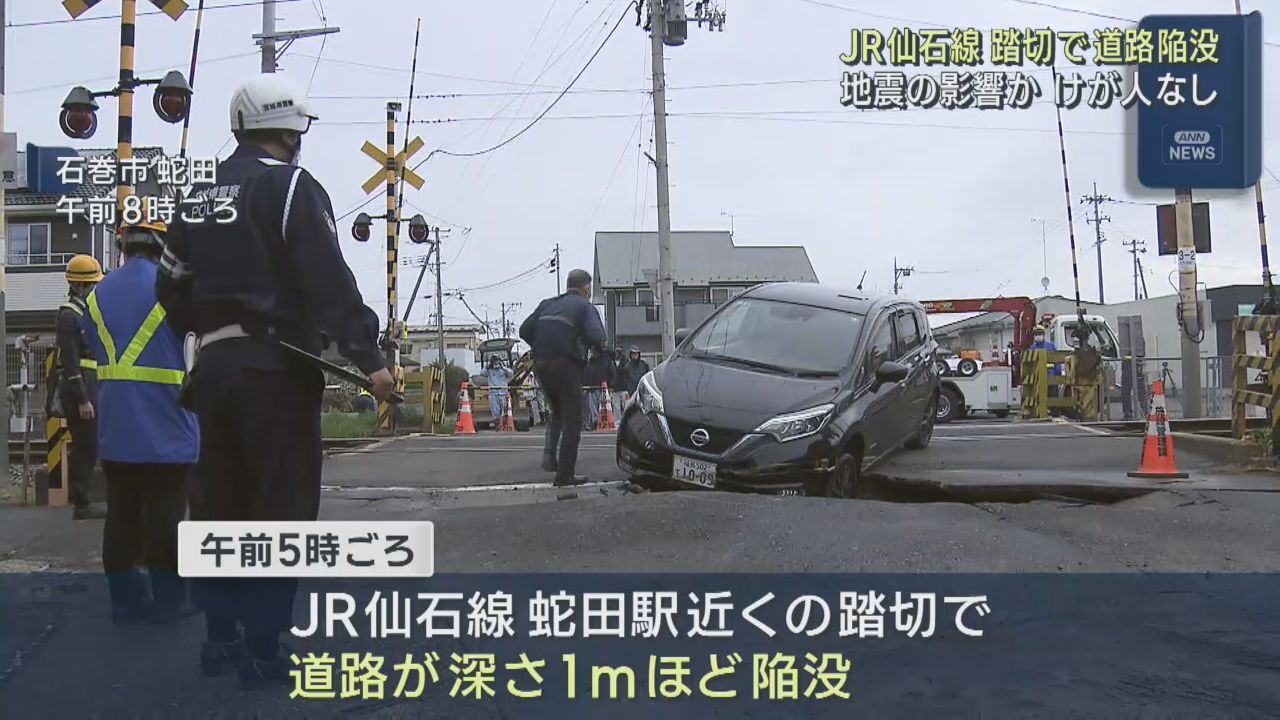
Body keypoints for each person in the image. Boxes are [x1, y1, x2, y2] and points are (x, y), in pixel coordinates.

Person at [156, 72, 395, 690]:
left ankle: (219, 637)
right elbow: (327, 280)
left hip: (213, 369)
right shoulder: (291, 188)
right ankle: (264, 647)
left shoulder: (197, 195)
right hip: (276, 368)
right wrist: (369, 359)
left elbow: (171, 286)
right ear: (290, 131)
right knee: (278, 507)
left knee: (218, 503)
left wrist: (206, 334)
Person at [82, 221, 199, 625]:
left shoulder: (97, 295)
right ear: (164, 247)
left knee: (122, 513)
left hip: (117, 422)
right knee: (166, 514)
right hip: (168, 420)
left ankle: (125, 601)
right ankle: (169, 601)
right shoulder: (175, 289)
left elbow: (95, 345)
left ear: (123, 247)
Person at [519, 269, 607, 486]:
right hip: (566, 366)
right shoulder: (585, 307)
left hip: (541, 365)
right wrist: (585, 347)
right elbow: (598, 336)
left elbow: (524, 331)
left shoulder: (547, 304)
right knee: (573, 419)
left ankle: (549, 457)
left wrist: (543, 346)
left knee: (557, 411)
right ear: (586, 288)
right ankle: (565, 475)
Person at [53, 255, 108, 520]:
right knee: (85, 445)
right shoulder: (68, 316)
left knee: (91, 443)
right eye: (91, 284)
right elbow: (70, 361)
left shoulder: (85, 313)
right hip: (79, 387)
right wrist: (83, 399)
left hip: (91, 383)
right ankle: (81, 503)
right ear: (78, 285)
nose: (95, 288)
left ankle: (83, 500)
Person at [485, 356, 513, 422]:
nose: (496, 363)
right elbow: (482, 373)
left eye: (497, 361)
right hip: (493, 394)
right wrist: (487, 367)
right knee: (495, 410)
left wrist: (503, 367)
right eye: (494, 362)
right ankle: (496, 423)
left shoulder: (504, 370)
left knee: (504, 410)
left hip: (503, 393)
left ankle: (504, 422)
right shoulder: (489, 370)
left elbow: (511, 373)